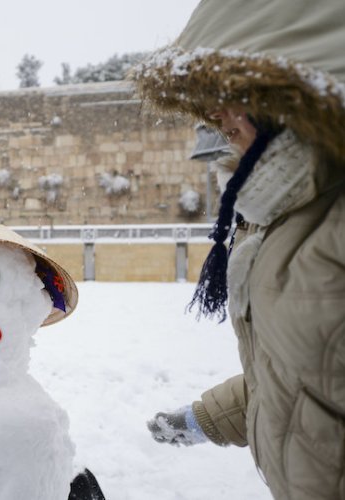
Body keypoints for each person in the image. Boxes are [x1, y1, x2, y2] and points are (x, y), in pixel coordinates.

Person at [132, 1, 344, 499]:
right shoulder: (278, 213)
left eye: (232, 93)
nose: (213, 115)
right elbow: (299, 376)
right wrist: (204, 418)